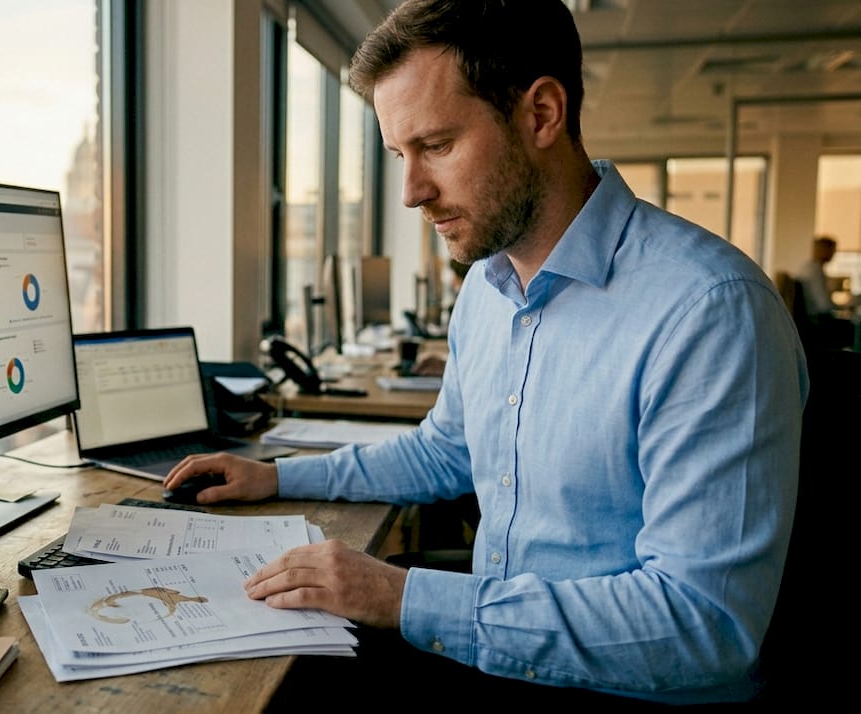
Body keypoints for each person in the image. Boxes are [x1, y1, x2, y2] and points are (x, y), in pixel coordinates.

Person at [165, 0, 807, 706]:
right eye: (399, 156)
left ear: (540, 115)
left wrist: (403, 596)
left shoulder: (708, 311)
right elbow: (446, 450)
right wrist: (277, 479)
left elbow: (703, 625)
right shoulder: (490, 286)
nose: (411, 192)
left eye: (436, 146)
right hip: (504, 648)